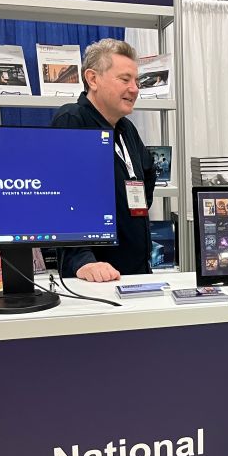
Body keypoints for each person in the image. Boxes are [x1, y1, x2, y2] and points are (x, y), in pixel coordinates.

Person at [52, 39, 156, 282]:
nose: (134, 88)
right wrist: (83, 260)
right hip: (95, 278)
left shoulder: (126, 129)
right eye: (125, 79)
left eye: (136, 81)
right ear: (93, 79)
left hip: (135, 273)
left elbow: (147, 174)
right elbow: (62, 199)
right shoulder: (72, 121)